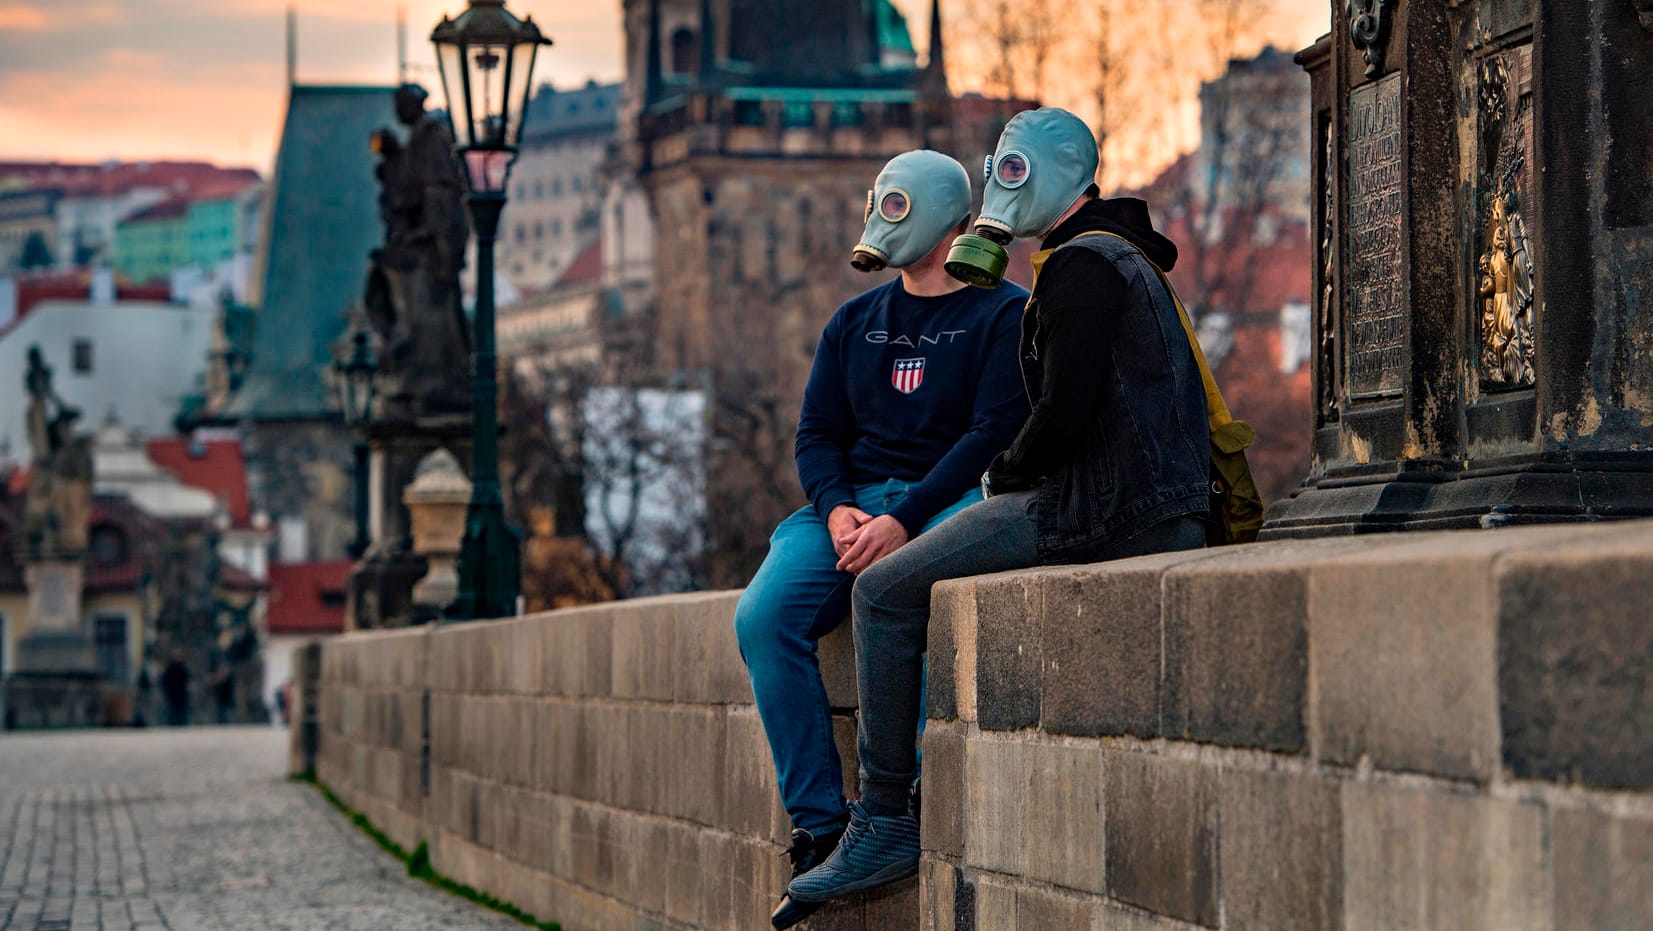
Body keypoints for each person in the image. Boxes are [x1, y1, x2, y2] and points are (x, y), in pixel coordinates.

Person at [788, 107, 1211, 904]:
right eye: (994, 174)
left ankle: (881, 821)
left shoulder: (1079, 267)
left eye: (1006, 173)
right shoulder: (1116, 253)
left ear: (1045, 177)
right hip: (1153, 499)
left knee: (879, 591)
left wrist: (1002, 478)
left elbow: (1061, 412)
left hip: (1105, 507)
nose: (996, 190)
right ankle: (881, 816)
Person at [733, 149, 1030, 929]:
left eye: (899, 206)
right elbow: (816, 433)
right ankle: (823, 827)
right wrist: (835, 508)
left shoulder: (1004, 313)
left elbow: (993, 431)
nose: (884, 217)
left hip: (947, 501)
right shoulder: (853, 322)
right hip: (851, 506)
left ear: (947, 221)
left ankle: (908, 805)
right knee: (763, 617)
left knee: (914, 599)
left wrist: (907, 518)